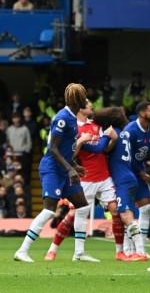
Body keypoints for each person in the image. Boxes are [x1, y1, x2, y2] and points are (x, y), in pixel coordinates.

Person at [14, 83, 89, 262]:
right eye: (84, 96)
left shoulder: (71, 117)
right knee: (49, 211)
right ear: (78, 100)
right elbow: (53, 148)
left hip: (64, 169)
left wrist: (74, 165)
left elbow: (64, 150)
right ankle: (22, 251)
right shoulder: (62, 118)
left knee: (83, 206)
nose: (86, 100)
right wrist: (70, 168)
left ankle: (79, 253)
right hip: (52, 169)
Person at [44, 100, 123, 262]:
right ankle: (54, 250)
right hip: (85, 177)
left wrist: (113, 139)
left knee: (116, 211)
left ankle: (119, 252)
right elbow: (71, 155)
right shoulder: (73, 128)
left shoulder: (96, 124)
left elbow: (105, 149)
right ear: (80, 108)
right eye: (88, 104)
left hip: (104, 176)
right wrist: (80, 141)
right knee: (74, 213)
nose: (92, 105)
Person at [92, 106, 148, 261]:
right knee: (124, 214)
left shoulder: (112, 133)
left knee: (126, 216)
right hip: (128, 177)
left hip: (122, 180)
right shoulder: (124, 134)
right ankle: (128, 251)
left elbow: (101, 150)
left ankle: (141, 252)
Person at [124, 101, 150, 257]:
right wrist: (143, 175)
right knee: (127, 211)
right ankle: (128, 249)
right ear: (142, 113)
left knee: (146, 208)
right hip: (126, 172)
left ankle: (141, 248)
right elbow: (126, 157)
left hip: (139, 171)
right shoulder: (131, 131)